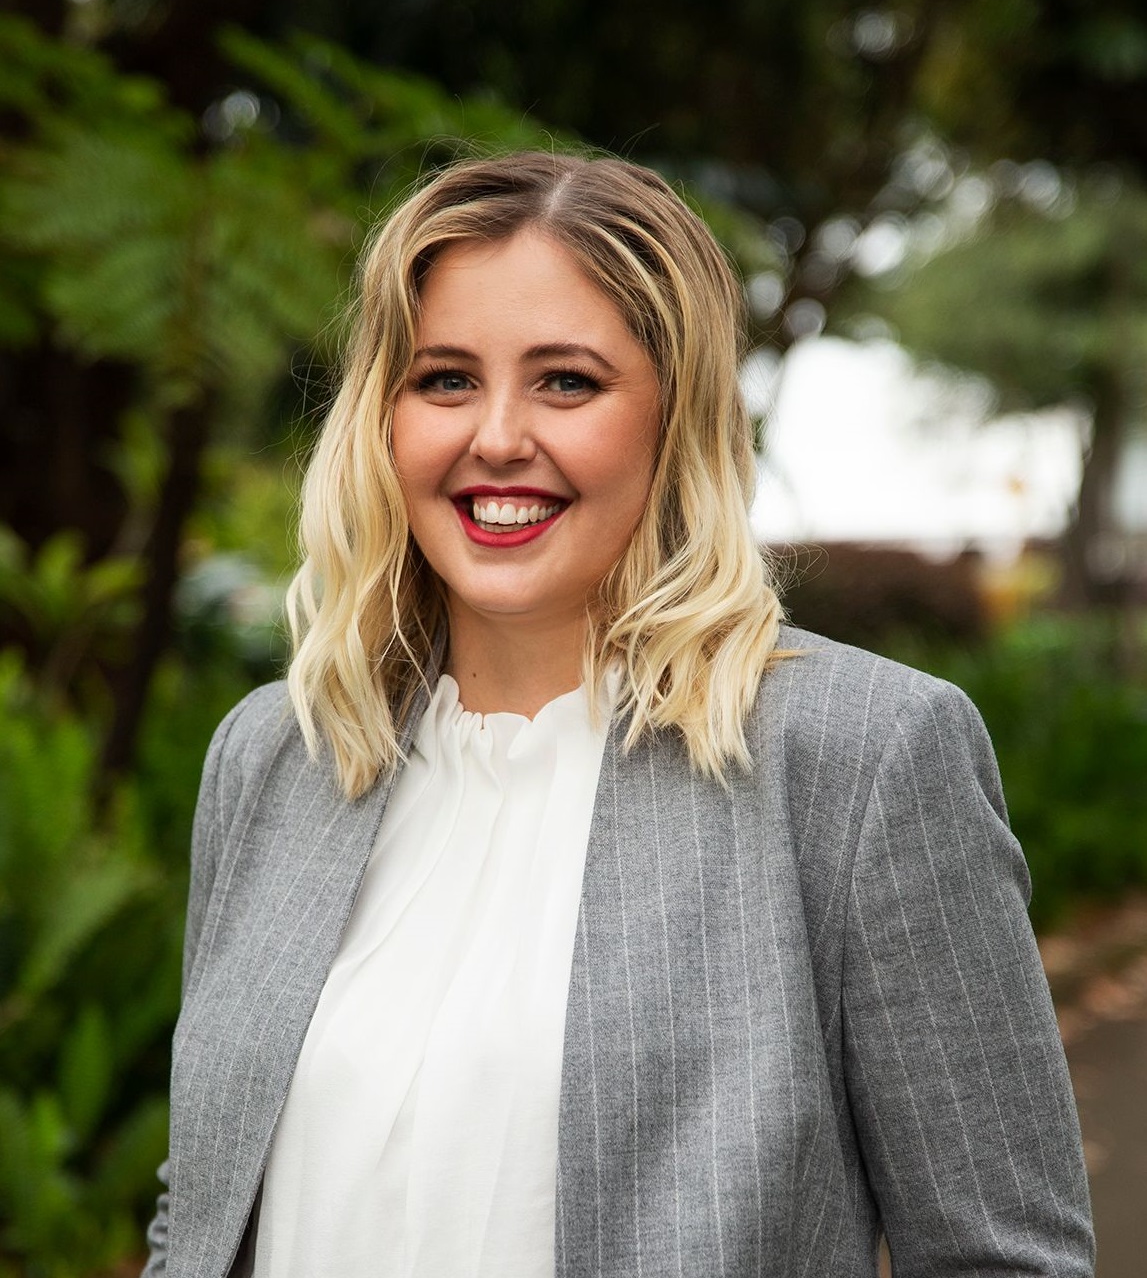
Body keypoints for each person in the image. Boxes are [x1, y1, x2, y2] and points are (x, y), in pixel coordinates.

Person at [143, 152, 1094, 1278]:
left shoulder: (860, 758)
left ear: (674, 419)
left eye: (566, 382)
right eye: (444, 379)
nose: (495, 436)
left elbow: (1001, 1259)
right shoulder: (276, 754)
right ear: (381, 419)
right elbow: (196, 1225)